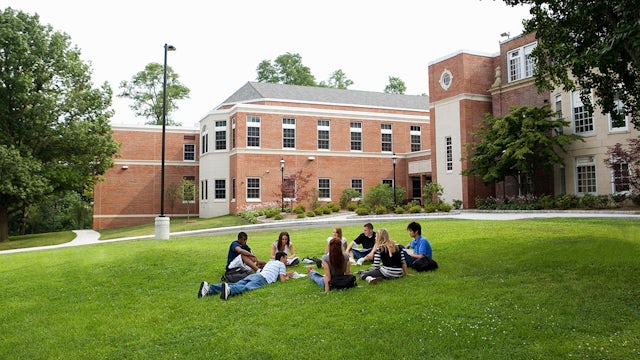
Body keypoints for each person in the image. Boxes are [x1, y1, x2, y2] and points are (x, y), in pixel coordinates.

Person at [199, 252, 294, 300]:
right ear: (282, 258)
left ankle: (209, 288)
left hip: (255, 275)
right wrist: (288, 276)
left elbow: (273, 274)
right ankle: (230, 291)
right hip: (262, 279)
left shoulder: (270, 262)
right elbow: (282, 280)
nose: (287, 260)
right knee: (246, 288)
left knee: (238, 284)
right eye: (286, 258)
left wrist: (284, 275)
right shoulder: (281, 264)